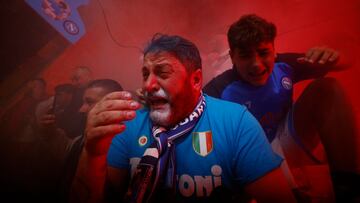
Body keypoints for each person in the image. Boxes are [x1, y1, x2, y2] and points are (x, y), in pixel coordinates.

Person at [71, 34, 296, 203]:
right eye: (145, 74)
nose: (148, 84)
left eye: (162, 73)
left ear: (196, 80)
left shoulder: (235, 123)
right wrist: (93, 154)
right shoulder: (128, 126)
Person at [203, 14, 359, 202]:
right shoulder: (217, 89)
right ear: (232, 57)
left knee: (328, 89)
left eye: (263, 53)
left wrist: (335, 57)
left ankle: (349, 191)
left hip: (286, 137)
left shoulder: (284, 65)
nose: (256, 64)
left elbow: (348, 61)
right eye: (245, 55)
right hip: (249, 154)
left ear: (274, 51)